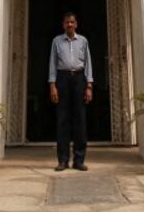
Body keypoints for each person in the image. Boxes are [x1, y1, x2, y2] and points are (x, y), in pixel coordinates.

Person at [48, 11, 93, 171]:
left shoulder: (83, 41)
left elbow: (88, 63)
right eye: (67, 22)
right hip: (62, 79)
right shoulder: (57, 41)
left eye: (72, 22)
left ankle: (79, 160)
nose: (69, 25)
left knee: (80, 119)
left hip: (79, 79)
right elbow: (52, 63)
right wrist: (53, 85)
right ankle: (63, 160)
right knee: (62, 120)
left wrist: (89, 86)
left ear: (76, 24)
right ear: (63, 25)